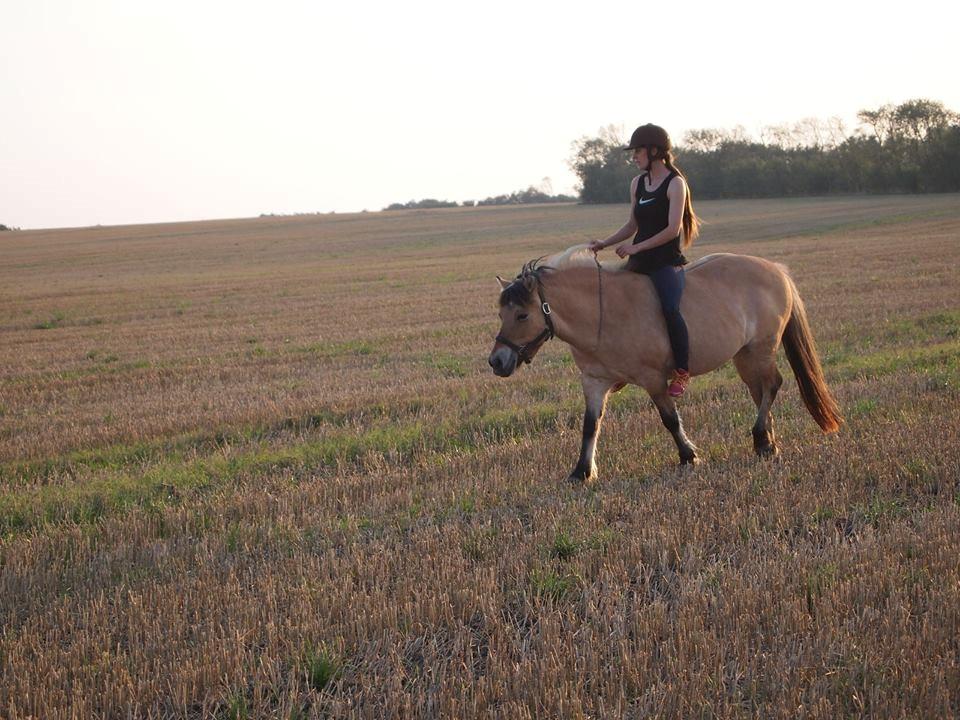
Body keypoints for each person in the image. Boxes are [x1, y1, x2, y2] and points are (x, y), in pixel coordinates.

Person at [588, 124, 701, 397]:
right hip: (640, 261)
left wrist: (637, 247)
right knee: (618, 309)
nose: (634, 156)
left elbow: (673, 230)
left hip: (665, 262)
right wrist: (604, 243)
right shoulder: (637, 183)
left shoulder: (676, 184)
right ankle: (626, 368)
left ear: (654, 151)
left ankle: (683, 372)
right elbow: (631, 225)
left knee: (670, 310)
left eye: (637, 151)